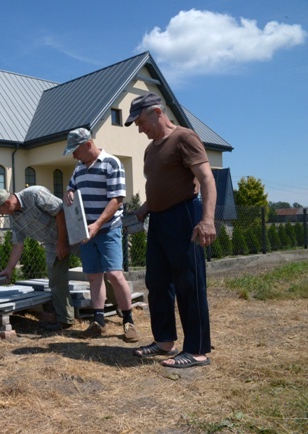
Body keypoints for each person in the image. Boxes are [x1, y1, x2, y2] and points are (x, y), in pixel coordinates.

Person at [125, 92, 216, 368]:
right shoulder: (151, 148)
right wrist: (144, 208)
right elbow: (160, 183)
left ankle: (197, 350)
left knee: (190, 282)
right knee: (157, 282)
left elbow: (207, 178)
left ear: (157, 112)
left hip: (184, 215)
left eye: (141, 121)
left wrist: (208, 219)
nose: (140, 128)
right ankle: (165, 341)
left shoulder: (184, 138)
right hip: (159, 220)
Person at [63, 128, 139, 343]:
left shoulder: (112, 163)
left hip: (107, 229)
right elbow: (71, 188)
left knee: (114, 275)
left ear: (88, 144)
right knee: (94, 276)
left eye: (75, 150)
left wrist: (97, 224)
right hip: (87, 232)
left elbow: (116, 200)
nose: (73, 155)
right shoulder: (79, 168)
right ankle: (98, 322)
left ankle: (128, 321)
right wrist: (69, 192)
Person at [0, 186, 75, 331]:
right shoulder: (14, 219)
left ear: (7, 204)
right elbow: (18, 245)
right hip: (52, 243)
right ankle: (65, 319)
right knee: (56, 279)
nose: (1, 215)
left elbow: (60, 211)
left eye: (0, 211)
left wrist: (62, 241)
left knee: (97, 268)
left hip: (72, 231)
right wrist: (9, 269)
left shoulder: (34, 194)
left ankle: (120, 303)